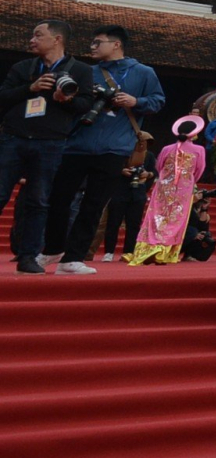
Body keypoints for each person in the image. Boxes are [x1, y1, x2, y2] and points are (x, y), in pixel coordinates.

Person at [39, 24, 165, 274]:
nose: (93, 47)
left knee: (94, 205)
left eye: (98, 42)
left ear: (116, 44)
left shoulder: (143, 72)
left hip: (115, 147)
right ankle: (52, 249)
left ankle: (72, 258)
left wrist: (135, 101)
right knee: (58, 199)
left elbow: (158, 101)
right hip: (77, 143)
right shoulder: (86, 71)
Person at [1, 18, 93, 273]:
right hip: (14, 138)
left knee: (39, 201)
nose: (32, 40)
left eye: (38, 35)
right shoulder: (23, 67)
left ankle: (28, 256)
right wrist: (30, 88)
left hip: (51, 143)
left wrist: (65, 99)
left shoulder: (81, 71)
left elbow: (85, 106)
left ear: (57, 39)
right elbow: (3, 97)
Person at [125, 114, 207, 264]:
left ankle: (150, 247)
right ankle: (166, 252)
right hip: (184, 188)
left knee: (157, 216)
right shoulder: (199, 150)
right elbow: (199, 171)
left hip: (163, 187)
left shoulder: (167, 148)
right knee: (177, 219)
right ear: (194, 133)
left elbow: (159, 167)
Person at [108, 145, 158, 259]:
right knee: (113, 223)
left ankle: (129, 252)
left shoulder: (148, 155)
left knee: (133, 224)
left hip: (138, 193)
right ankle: (109, 252)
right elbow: (110, 167)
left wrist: (147, 174)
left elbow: (153, 172)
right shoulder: (121, 151)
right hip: (119, 191)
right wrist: (121, 170)